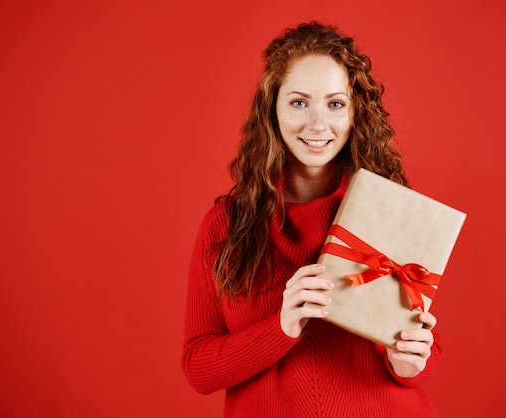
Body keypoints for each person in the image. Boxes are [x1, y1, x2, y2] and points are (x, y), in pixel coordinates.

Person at [182, 21, 441, 417]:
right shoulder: (225, 225)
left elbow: (424, 345)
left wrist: (410, 362)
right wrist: (281, 328)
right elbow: (198, 368)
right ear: (273, 109)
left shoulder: (392, 210)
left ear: (356, 113)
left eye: (335, 104)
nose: (317, 124)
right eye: (299, 102)